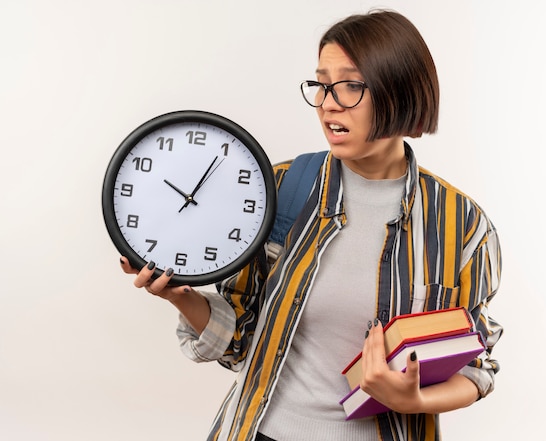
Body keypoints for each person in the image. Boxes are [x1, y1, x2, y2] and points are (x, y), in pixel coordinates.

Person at [120, 9, 503, 441]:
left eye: (351, 85)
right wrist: (181, 295)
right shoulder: (280, 189)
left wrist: (411, 400)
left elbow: (476, 364)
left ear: (401, 90)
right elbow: (239, 341)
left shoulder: (461, 224)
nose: (328, 103)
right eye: (321, 84)